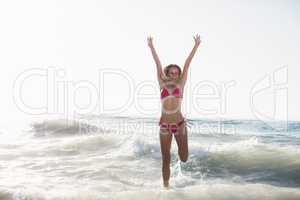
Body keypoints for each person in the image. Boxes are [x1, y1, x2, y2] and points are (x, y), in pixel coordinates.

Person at [147, 34, 201, 188]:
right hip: (164, 125)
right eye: (171, 73)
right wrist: (152, 47)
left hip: (179, 124)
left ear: (179, 74)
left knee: (183, 158)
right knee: (165, 158)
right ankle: (166, 187)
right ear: (166, 73)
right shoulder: (162, 83)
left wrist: (196, 46)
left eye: (176, 73)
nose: (174, 75)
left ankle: (180, 156)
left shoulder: (181, 84)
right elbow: (157, 63)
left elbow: (187, 63)